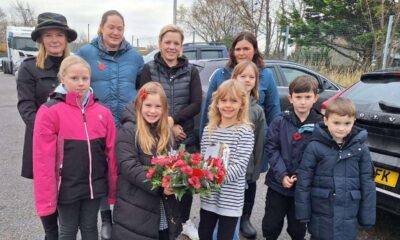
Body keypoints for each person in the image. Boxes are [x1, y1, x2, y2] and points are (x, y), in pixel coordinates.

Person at [32, 55, 118, 240]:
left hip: (93, 185)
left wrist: (113, 186)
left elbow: (112, 153)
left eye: (85, 78)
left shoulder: (103, 113)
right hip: (66, 187)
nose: (80, 83)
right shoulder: (50, 112)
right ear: (62, 79)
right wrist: (47, 197)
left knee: (89, 227)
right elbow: (43, 161)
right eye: (74, 78)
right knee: (68, 230)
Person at [76, 10, 144, 239]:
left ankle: (124, 217)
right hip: (96, 126)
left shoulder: (135, 58)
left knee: (126, 171)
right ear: (101, 28)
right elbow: (76, 83)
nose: (115, 32)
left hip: (127, 125)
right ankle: (106, 218)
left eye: (120, 28)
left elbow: (141, 89)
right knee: (102, 172)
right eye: (111, 27)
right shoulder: (85, 53)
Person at [16, 12, 77, 240]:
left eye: (59, 35)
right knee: (48, 199)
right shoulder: (29, 68)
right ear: (41, 39)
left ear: (66, 39)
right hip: (43, 144)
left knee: (69, 198)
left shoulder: (76, 67)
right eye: (48, 35)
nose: (54, 40)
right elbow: (26, 108)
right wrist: (51, 134)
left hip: (72, 145)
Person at [138, 24, 202, 223]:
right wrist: (168, 125)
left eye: (176, 43)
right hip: (156, 136)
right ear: (160, 44)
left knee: (185, 180)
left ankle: (183, 221)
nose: (171, 47)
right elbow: (144, 102)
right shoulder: (148, 69)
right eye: (167, 42)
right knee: (161, 179)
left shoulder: (191, 71)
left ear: (181, 47)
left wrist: (174, 119)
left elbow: (196, 104)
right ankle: (163, 222)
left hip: (185, 137)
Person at [295, 97, 376, 240]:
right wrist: (303, 213)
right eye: (336, 122)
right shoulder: (315, 147)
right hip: (321, 211)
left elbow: (368, 184)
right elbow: (304, 182)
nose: (341, 128)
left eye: (347, 123)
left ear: (353, 122)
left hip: (348, 213)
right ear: (326, 121)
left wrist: (367, 216)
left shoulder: (361, 149)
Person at [112, 82, 182, 240]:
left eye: (158, 106)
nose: (152, 111)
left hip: (163, 206)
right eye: (148, 105)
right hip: (136, 206)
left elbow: (173, 161)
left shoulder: (166, 132)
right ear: (139, 105)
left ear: (164, 109)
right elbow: (129, 166)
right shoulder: (129, 130)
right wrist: (158, 186)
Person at [262, 75, 323, 240]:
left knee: (297, 227)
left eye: (307, 97)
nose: (302, 102)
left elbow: (320, 156)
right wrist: (282, 175)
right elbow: (272, 148)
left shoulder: (321, 126)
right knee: (271, 223)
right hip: (278, 184)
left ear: (315, 98)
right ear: (291, 98)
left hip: (303, 188)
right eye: (298, 97)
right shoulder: (280, 121)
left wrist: (303, 176)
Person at [198, 79, 254, 240]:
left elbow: (239, 166)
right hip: (209, 196)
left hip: (230, 199)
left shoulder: (244, 131)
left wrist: (213, 177)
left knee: (225, 236)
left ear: (242, 104)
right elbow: (203, 160)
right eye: (223, 100)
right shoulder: (209, 129)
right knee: (204, 234)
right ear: (216, 103)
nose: (228, 105)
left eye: (233, 101)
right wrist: (199, 177)